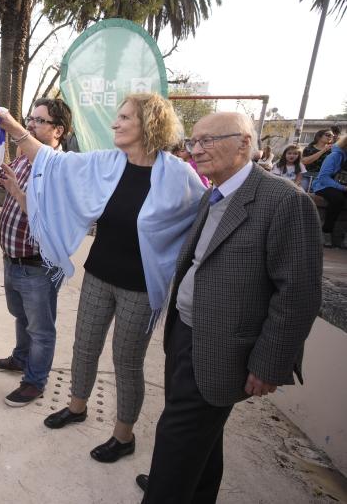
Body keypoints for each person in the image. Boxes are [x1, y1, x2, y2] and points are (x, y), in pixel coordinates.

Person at [0, 93, 206, 463]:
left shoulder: (178, 175)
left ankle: (123, 436)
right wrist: (15, 130)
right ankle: (77, 407)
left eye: (124, 117)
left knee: (126, 361)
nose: (115, 123)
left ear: (149, 124)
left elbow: (203, 221)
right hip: (99, 274)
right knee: (84, 346)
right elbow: (53, 161)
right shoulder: (107, 163)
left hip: (141, 287)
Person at [135, 112, 322, 503]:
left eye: (208, 141)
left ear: (243, 143)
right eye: (192, 142)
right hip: (186, 334)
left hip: (223, 347)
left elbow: (298, 294)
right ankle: (193, 490)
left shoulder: (285, 201)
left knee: (177, 434)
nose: (196, 150)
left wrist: (269, 363)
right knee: (202, 433)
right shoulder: (214, 192)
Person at [0, 99, 70, 406]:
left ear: (58, 130)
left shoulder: (57, 167)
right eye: (30, 118)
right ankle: (21, 358)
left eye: (39, 120)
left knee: (41, 328)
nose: (31, 124)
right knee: (21, 316)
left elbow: (45, 219)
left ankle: (35, 381)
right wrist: (3, 181)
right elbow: (11, 192)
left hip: (37, 266)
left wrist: (15, 191)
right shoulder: (25, 158)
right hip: (13, 260)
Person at [311, 133, 347, 248]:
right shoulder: (335, 156)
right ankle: (326, 231)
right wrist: (342, 187)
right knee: (337, 199)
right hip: (323, 185)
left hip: (342, 186)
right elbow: (323, 177)